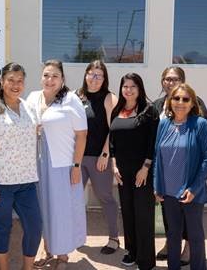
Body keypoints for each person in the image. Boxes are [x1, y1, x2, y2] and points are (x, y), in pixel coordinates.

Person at [0, 63, 42, 270]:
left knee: (35, 226)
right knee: (3, 227)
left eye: (20, 80)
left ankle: (27, 268)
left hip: (27, 182)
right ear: (2, 82)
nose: (15, 84)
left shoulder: (29, 108)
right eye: (11, 80)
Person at [26, 60, 87, 269]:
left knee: (60, 210)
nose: (49, 80)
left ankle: (62, 256)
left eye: (54, 76)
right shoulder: (33, 97)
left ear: (62, 80)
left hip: (62, 163)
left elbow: (82, 135)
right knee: (43, 208)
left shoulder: (71, 100)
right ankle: (48, 250)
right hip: (36, 162)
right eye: (46, 75)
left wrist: (77, 166)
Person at [151, 66, 207, 264]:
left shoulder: (199, 124)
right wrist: (156, 185)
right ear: (170, 101)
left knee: (194, 236)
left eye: (185, 99)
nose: (180, 102)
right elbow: (157, 155)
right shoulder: (164, 124)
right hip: (167, 191)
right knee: (173, 235)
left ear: (192, 102)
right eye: (176, 99)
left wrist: (194, 188)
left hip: (191, 192)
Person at [108, 73, 158, 270]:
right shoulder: (117, 110)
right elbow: (112, 142)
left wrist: (145, 167)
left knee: (143, 214)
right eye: (125, 86)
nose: (128, 90)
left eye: (132, 86)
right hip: (122, 171)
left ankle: (146, 260)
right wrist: (113, 165)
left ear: (140, 89)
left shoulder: (149, 111)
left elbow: (152, 142)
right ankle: (132, 252)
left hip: (141, 172)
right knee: (128, 212)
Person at [75, 60, 120, 254]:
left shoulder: (109, 98)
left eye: (98, 75)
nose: (94, 79)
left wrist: (105, 154)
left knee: (105, 197)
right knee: (74, 198)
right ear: (85, 75)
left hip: (98, 158)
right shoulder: (77, 96)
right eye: (91, 74)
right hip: (77, 158)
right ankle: (75, 236)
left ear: (104, 79)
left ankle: (114, 238)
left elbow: (114, 129)